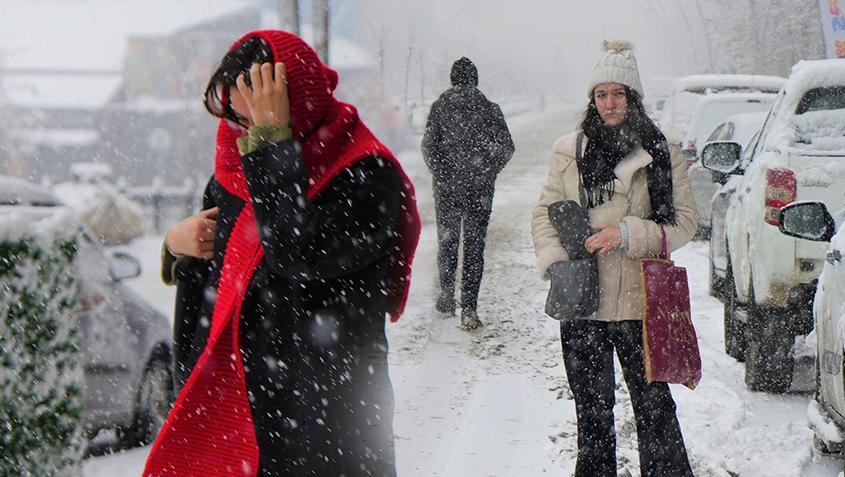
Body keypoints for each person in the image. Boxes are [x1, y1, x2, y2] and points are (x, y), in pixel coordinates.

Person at [144, 30, 420, 477]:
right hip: (243, 418)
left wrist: (273, 145)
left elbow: (297, 253)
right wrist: (175, 247)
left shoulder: (365, 173)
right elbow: (215, 298)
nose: (241, 130)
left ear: (296, 100)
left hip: (329, 419)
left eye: (256, 113)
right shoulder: (233, 173)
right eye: (235, 114)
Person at [531, 40, 698, 477]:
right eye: (601, 94)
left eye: (619, 94)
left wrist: (625, 233)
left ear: (633, 98)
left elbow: (684, 224)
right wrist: (555, 263)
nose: (610, 103)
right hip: (581, 299)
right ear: (592, 99)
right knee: (592, 413)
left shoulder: (663, 150)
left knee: (654, 408)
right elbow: (544, 212)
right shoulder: (569, 151)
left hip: (640, 300)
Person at [421, 57, 514, 330]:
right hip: (479, 190)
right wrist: (486, 171)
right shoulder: (489, 109)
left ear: (452, 79)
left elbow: (429, 146)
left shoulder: (439, 108)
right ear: (475, 79)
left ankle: (448, 296)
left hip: (447, 189)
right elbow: (506, 146)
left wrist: (442, 174)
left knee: (448, 242)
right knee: (474, 248)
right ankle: (470, 308)